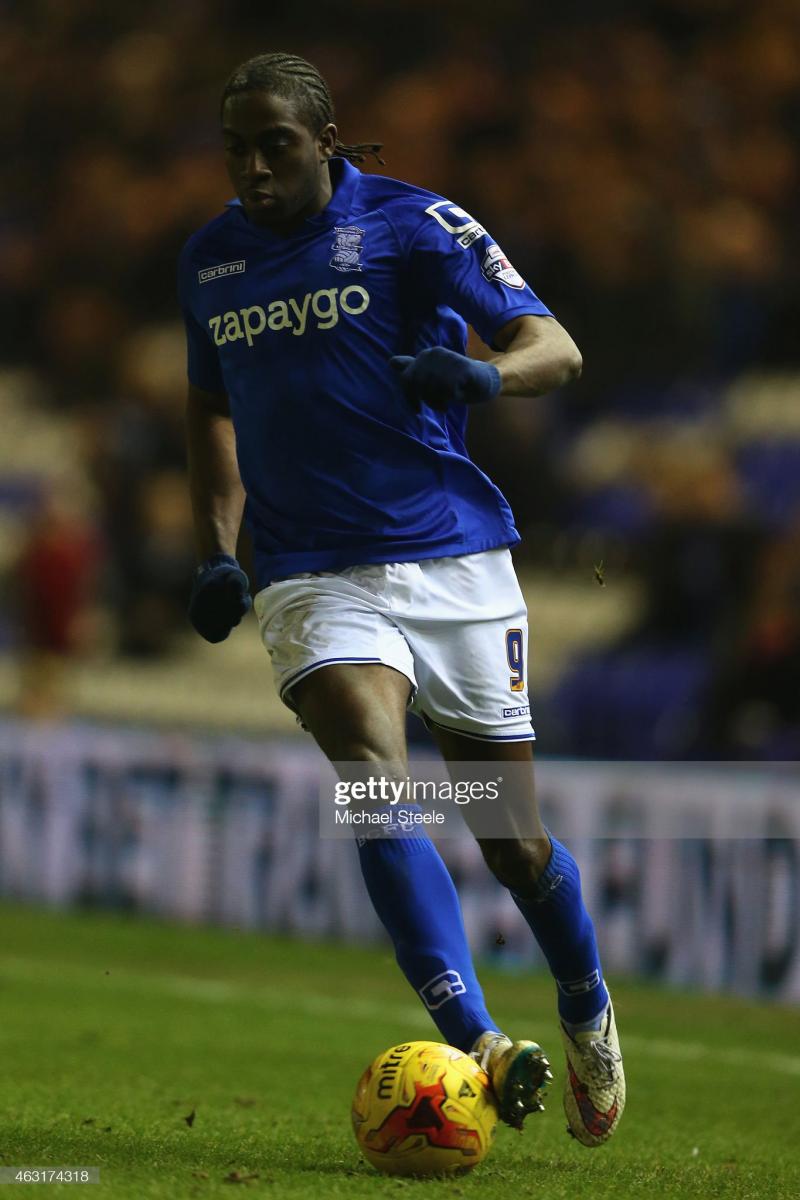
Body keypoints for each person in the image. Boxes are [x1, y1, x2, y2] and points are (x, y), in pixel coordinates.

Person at [180, 52, 624, 1146]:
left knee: (511, 844)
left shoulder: (414, 225)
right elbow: (211, 412)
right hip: (311, 571)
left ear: (326, 142)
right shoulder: (210, 262)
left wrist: (485, 376)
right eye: (236, 149)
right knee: (371, 778)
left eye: (275, 145)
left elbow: (555, 347)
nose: (253, 169)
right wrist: (218, 550)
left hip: (451, 558)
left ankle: (583, 1003)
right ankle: (481, 1043)